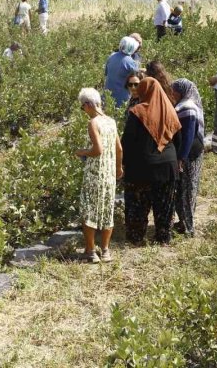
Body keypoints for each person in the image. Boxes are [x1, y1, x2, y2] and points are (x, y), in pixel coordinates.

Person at [121, 77, 181, 245]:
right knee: (164, 205)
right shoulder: (169, 110)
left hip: (141, 167)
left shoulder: (137, 112)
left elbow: (127, 141)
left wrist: (122, 163)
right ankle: (163, 238)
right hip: (168, 166)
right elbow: (178, 139)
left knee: (138, 204)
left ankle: (136, 237)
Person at [75, 88, 123, 263]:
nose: (84, 111)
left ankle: (90, 251)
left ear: (88, 105)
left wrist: (81, 152)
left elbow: (97, 150)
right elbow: (119, 148)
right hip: (109, 175)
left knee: (89, 211)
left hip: (95, 174)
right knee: (106, 211)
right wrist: (118, 168)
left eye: (83, 107)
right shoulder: (111, 122)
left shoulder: (93, 123)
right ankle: (105, 250)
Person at [170, 79, 205, 237]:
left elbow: (188, 136)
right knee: (182, 191)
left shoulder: (188, 107)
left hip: (190, 155)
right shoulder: (183, 104)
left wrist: (181, 158)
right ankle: (182, 222)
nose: (172, 93)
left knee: (188, 190)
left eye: (174, 90)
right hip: (186, 155)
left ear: (182, 91)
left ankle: (189, 227)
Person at [104, 36, 140, 108]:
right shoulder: (130, 62)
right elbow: (137, 78)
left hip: (107, 95)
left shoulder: (111, 56)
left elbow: (106, 73)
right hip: (122, 97)